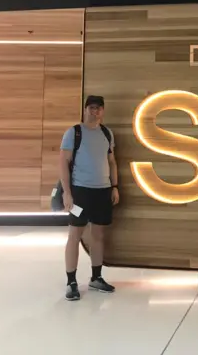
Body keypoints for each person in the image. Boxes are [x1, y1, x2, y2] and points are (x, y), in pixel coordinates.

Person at [60, 95, 119, 301]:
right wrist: (67, 192)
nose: (95, 111)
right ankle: (71, 282)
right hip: (80, 192)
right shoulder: (74, 133)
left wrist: (114, 186)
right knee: (74, 236)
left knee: (98, 235)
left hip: (102, 191)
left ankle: (96, 277)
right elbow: (63, 164)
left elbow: (112, 162)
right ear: (85, 110)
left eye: (99, 108)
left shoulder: (106, 133)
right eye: (91, 108)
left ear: (103, 111)